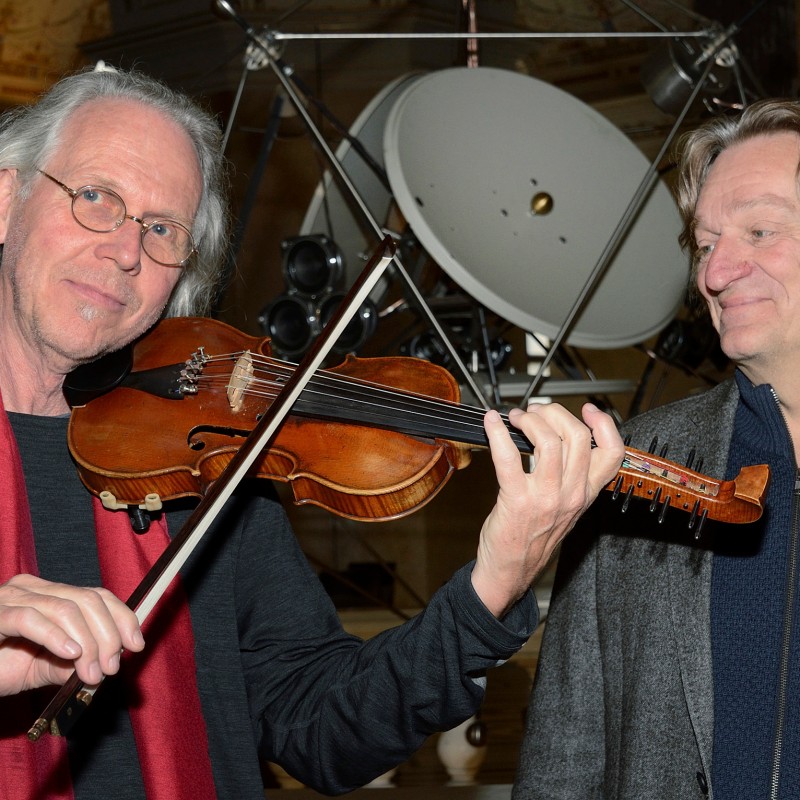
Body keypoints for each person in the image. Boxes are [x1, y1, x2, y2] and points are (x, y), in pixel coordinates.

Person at [0, 65, 624, 800]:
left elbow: (324, 733)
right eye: (96, 198)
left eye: (162, 228)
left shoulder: (213, 460)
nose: (126, 250)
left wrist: (496, 582)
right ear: (6, 200)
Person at [512, 97, 800, 800]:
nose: (715, 272)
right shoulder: (633, 462)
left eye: (760, 230)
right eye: (704, 245)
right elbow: (564, 754)